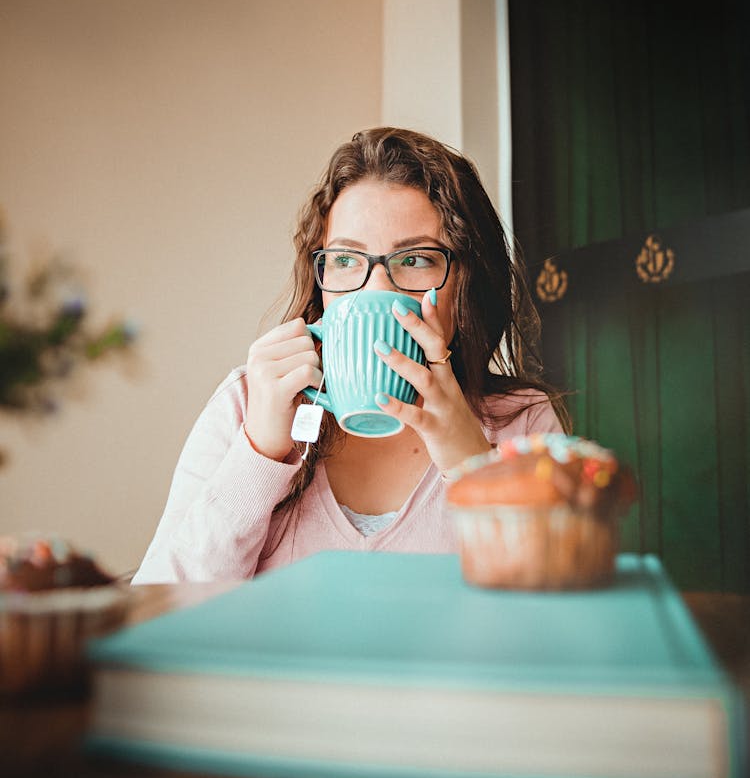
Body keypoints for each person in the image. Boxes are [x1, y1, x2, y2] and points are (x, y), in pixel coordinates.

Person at [133, 128, 568, 583]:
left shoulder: (523, 424)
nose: (376, 288)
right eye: (345, 260)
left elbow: (557, 619)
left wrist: (471, 464)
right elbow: (159, 607)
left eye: (416, 259)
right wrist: (259, 451)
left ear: (466, 280)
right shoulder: (246, 405)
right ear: (322, 284)